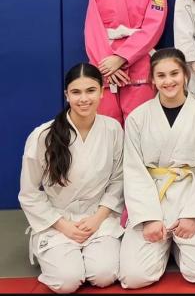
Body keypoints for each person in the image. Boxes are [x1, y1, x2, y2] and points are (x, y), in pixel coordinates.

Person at [118, 48, 195, 288]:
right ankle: (167, 244)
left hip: (190, 195)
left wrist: (193, 215)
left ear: (185, 75)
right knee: (135, 277)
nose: (168, 81)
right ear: (152, 79)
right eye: (161, 75)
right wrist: (148, 218)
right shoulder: (138, 118)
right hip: (152, 197)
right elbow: (134, 171)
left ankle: (178, 248)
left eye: (174, 74)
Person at [19, 63, 124, 294]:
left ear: (102, 91)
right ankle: (55, 252)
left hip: (97, 219)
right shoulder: (43, 135)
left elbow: (118, 180)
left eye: (91, 90)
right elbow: (29, 193)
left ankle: (88, 253)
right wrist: (63, 225)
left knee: (104, 275)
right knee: (67, 281)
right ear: (66, 95)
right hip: (58, 220)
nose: (84, 99)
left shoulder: (113, 129)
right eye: (76, 92)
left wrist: (98, 218)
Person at [84, 0, 167, 125]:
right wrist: (106, 64)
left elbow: (153, 27)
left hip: (139, 62)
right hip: (104, 64)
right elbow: (92, 27)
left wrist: (121, 58)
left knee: (139, 124)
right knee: (106, 124)